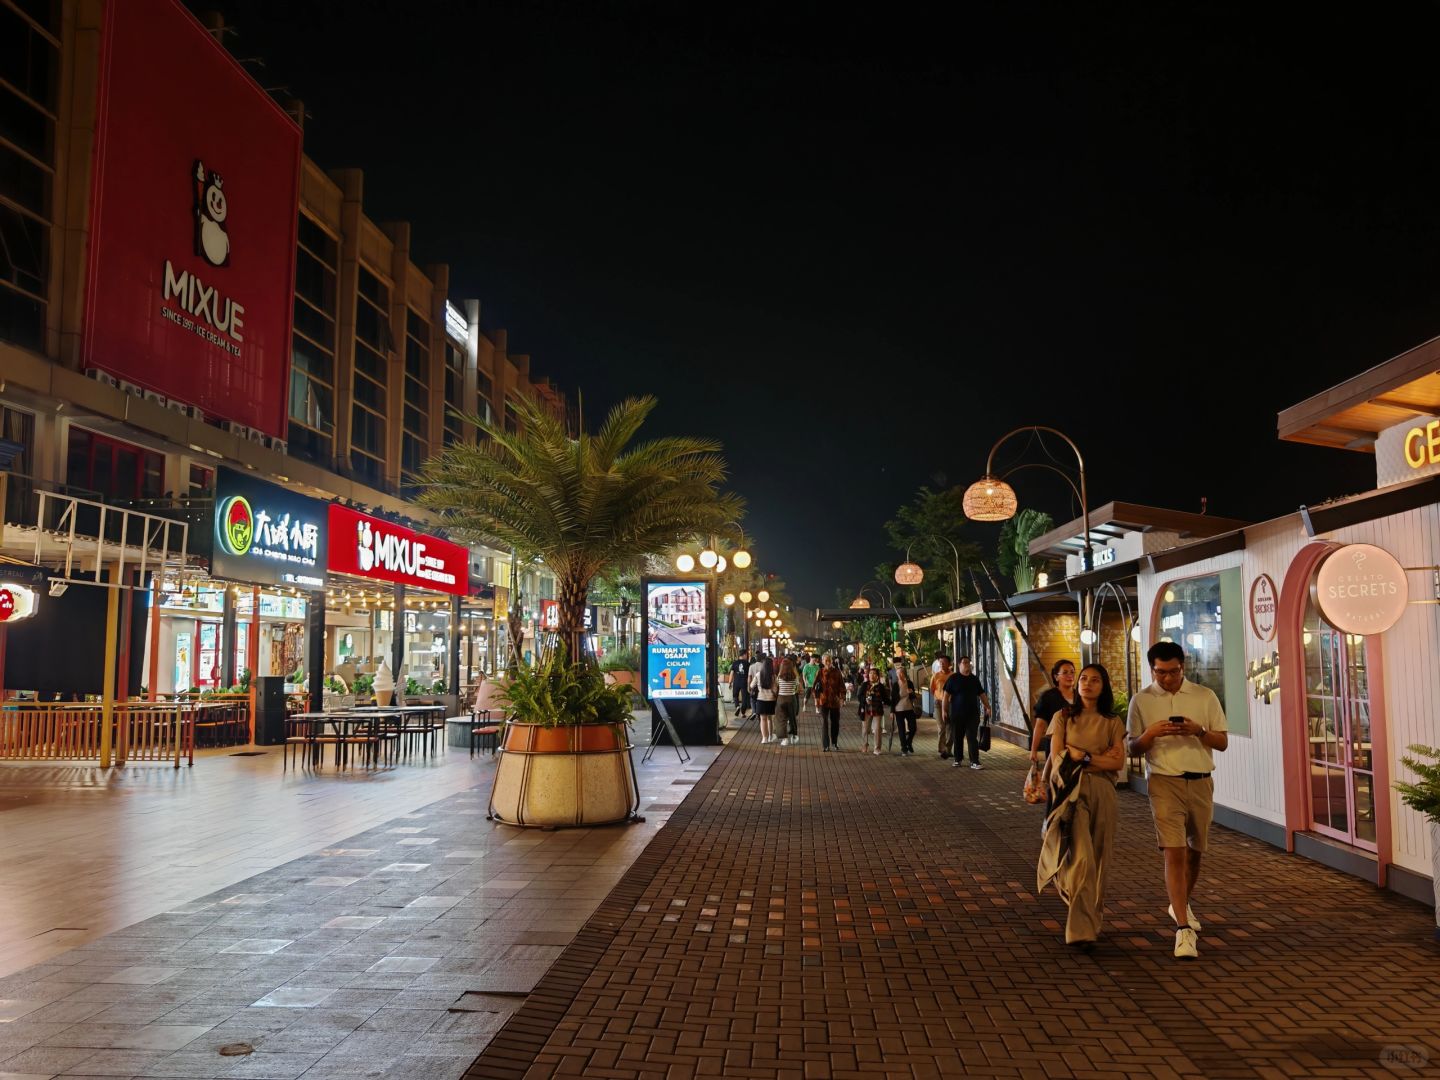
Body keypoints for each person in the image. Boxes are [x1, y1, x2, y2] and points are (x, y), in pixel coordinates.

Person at [1127, 641, 1229, 961]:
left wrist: (1198, 730)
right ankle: (1183, 930)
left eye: (1173, 672)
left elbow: (1222, 742)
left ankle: (1180, 903)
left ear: (1183, 667)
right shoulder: (1141, 700)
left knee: (1195, 851)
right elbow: (1132, 748)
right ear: (1151, 668)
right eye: (1160, 672)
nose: (1167, 679)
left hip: (1200, 780)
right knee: (1175, 850)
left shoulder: (1204, 696)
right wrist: (1152, 733)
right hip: (1163, 781)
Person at [1036, 663, 1127, 951]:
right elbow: (1061, 757)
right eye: (1083, 679)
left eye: (1095, 680)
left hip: (1104, 792)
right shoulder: (1062, 717)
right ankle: (1080, 929)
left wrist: (1084, 757)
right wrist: (1096, 757)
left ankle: (1090, 921)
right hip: (1071, 792)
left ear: (1104, 686)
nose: (1087, 684)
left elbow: (1117, 763)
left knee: (1099, 860)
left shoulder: (1113, 721)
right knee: (1083, 858)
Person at [942, 656, 991, 769]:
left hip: (972, 714)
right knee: (957, 737)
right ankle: (958, 759)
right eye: (964, 662)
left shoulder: (974, 679)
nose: (967, 664)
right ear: (959, 665)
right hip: (957, 714)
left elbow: (982, 694)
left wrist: (988, 707)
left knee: (972, 737)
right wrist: (944, 710)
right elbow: (946, 696)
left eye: (968, 662)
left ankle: (974, 761)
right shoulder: (953, 679)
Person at [1031, 659, 1077, 763]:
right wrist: (1034, 750)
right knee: (1056, 775)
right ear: (1056, 677)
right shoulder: (1048, 697)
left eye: (1072, 672)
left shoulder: (1081, 696)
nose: (1070, 675)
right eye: (1065, 672)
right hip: (1056, 746)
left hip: (1077, 746)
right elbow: (1040, 725)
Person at [815, 654, 846, 751]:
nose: (827, 662)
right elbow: (815, 687)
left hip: (834, 701)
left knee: (835, 723)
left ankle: (834, 742)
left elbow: (842, 686)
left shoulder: (837, 672)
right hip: (824, 701)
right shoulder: (820, 672)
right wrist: (816, 699)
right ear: (823, 662)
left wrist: (842, 698)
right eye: (826, 660)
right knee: (824, 722)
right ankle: (825, 745)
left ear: (831, 661)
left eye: (829, 660)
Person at [858, 666, 890, 755]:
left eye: (874, 673)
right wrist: (865, 700)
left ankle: (877, 748)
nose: (872, 675)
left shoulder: (880, 686)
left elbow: (886, 698)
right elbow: (859, 696)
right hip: (866, 709)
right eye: (870, 673)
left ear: (877, 676)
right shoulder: (865, 685)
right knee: (865, 729)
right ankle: (865, 745)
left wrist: (893, 704)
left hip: (877, 710)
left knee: (877, 729)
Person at [749, 653, 778, 743]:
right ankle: (770, 736)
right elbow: (775, 689)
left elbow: (751, 685)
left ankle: (764, 738)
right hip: (771, 700)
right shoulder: (773, 676)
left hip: (761, 699)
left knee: (763, 719)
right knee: (770, 719)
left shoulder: (758, 675)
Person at [891, 667, 920, 754]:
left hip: (909, 708)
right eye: (897, 673)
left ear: (904, 674)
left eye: (901, 673)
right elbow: (892, 699)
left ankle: (908, 742)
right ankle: (904, 748)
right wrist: (892, 711)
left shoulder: (909, 683)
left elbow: (914, 696)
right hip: (899, 709)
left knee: (913, 728)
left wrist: (911, 692)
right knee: (901, 729)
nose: (899, 675)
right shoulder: (895, 684)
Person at [775, 656, 801, 746]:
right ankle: (794, 736)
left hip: (781, 699)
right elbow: (798, 689)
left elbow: (777, 687)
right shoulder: (795, 677)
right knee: (792, 718)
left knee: (782, 719)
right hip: (791, 699)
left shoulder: (779, 677)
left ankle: (784, 739)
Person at [930, 656, 953, 758]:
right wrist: (938, 697)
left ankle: (948, 749)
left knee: (950, 727)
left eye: (944, 662)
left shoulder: (953, 676)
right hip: (938, 703)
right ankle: (941, 748)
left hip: (950, 703)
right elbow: (932, 689)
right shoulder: (936, 676)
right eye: (940, 663)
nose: (942, 664)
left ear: (949, 664)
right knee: (942, 726)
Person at [731, 650, 752, 718]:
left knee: (735, 696)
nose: (746, 656)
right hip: (744, 683)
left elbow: (731, 673)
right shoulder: (747, 663)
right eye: (746, 655)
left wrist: (730, 682)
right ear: (744, 655)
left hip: (736, 682)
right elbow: (749, 675)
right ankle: (743, 713)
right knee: (744, 698)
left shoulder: (735, 663)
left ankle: (737, 706)